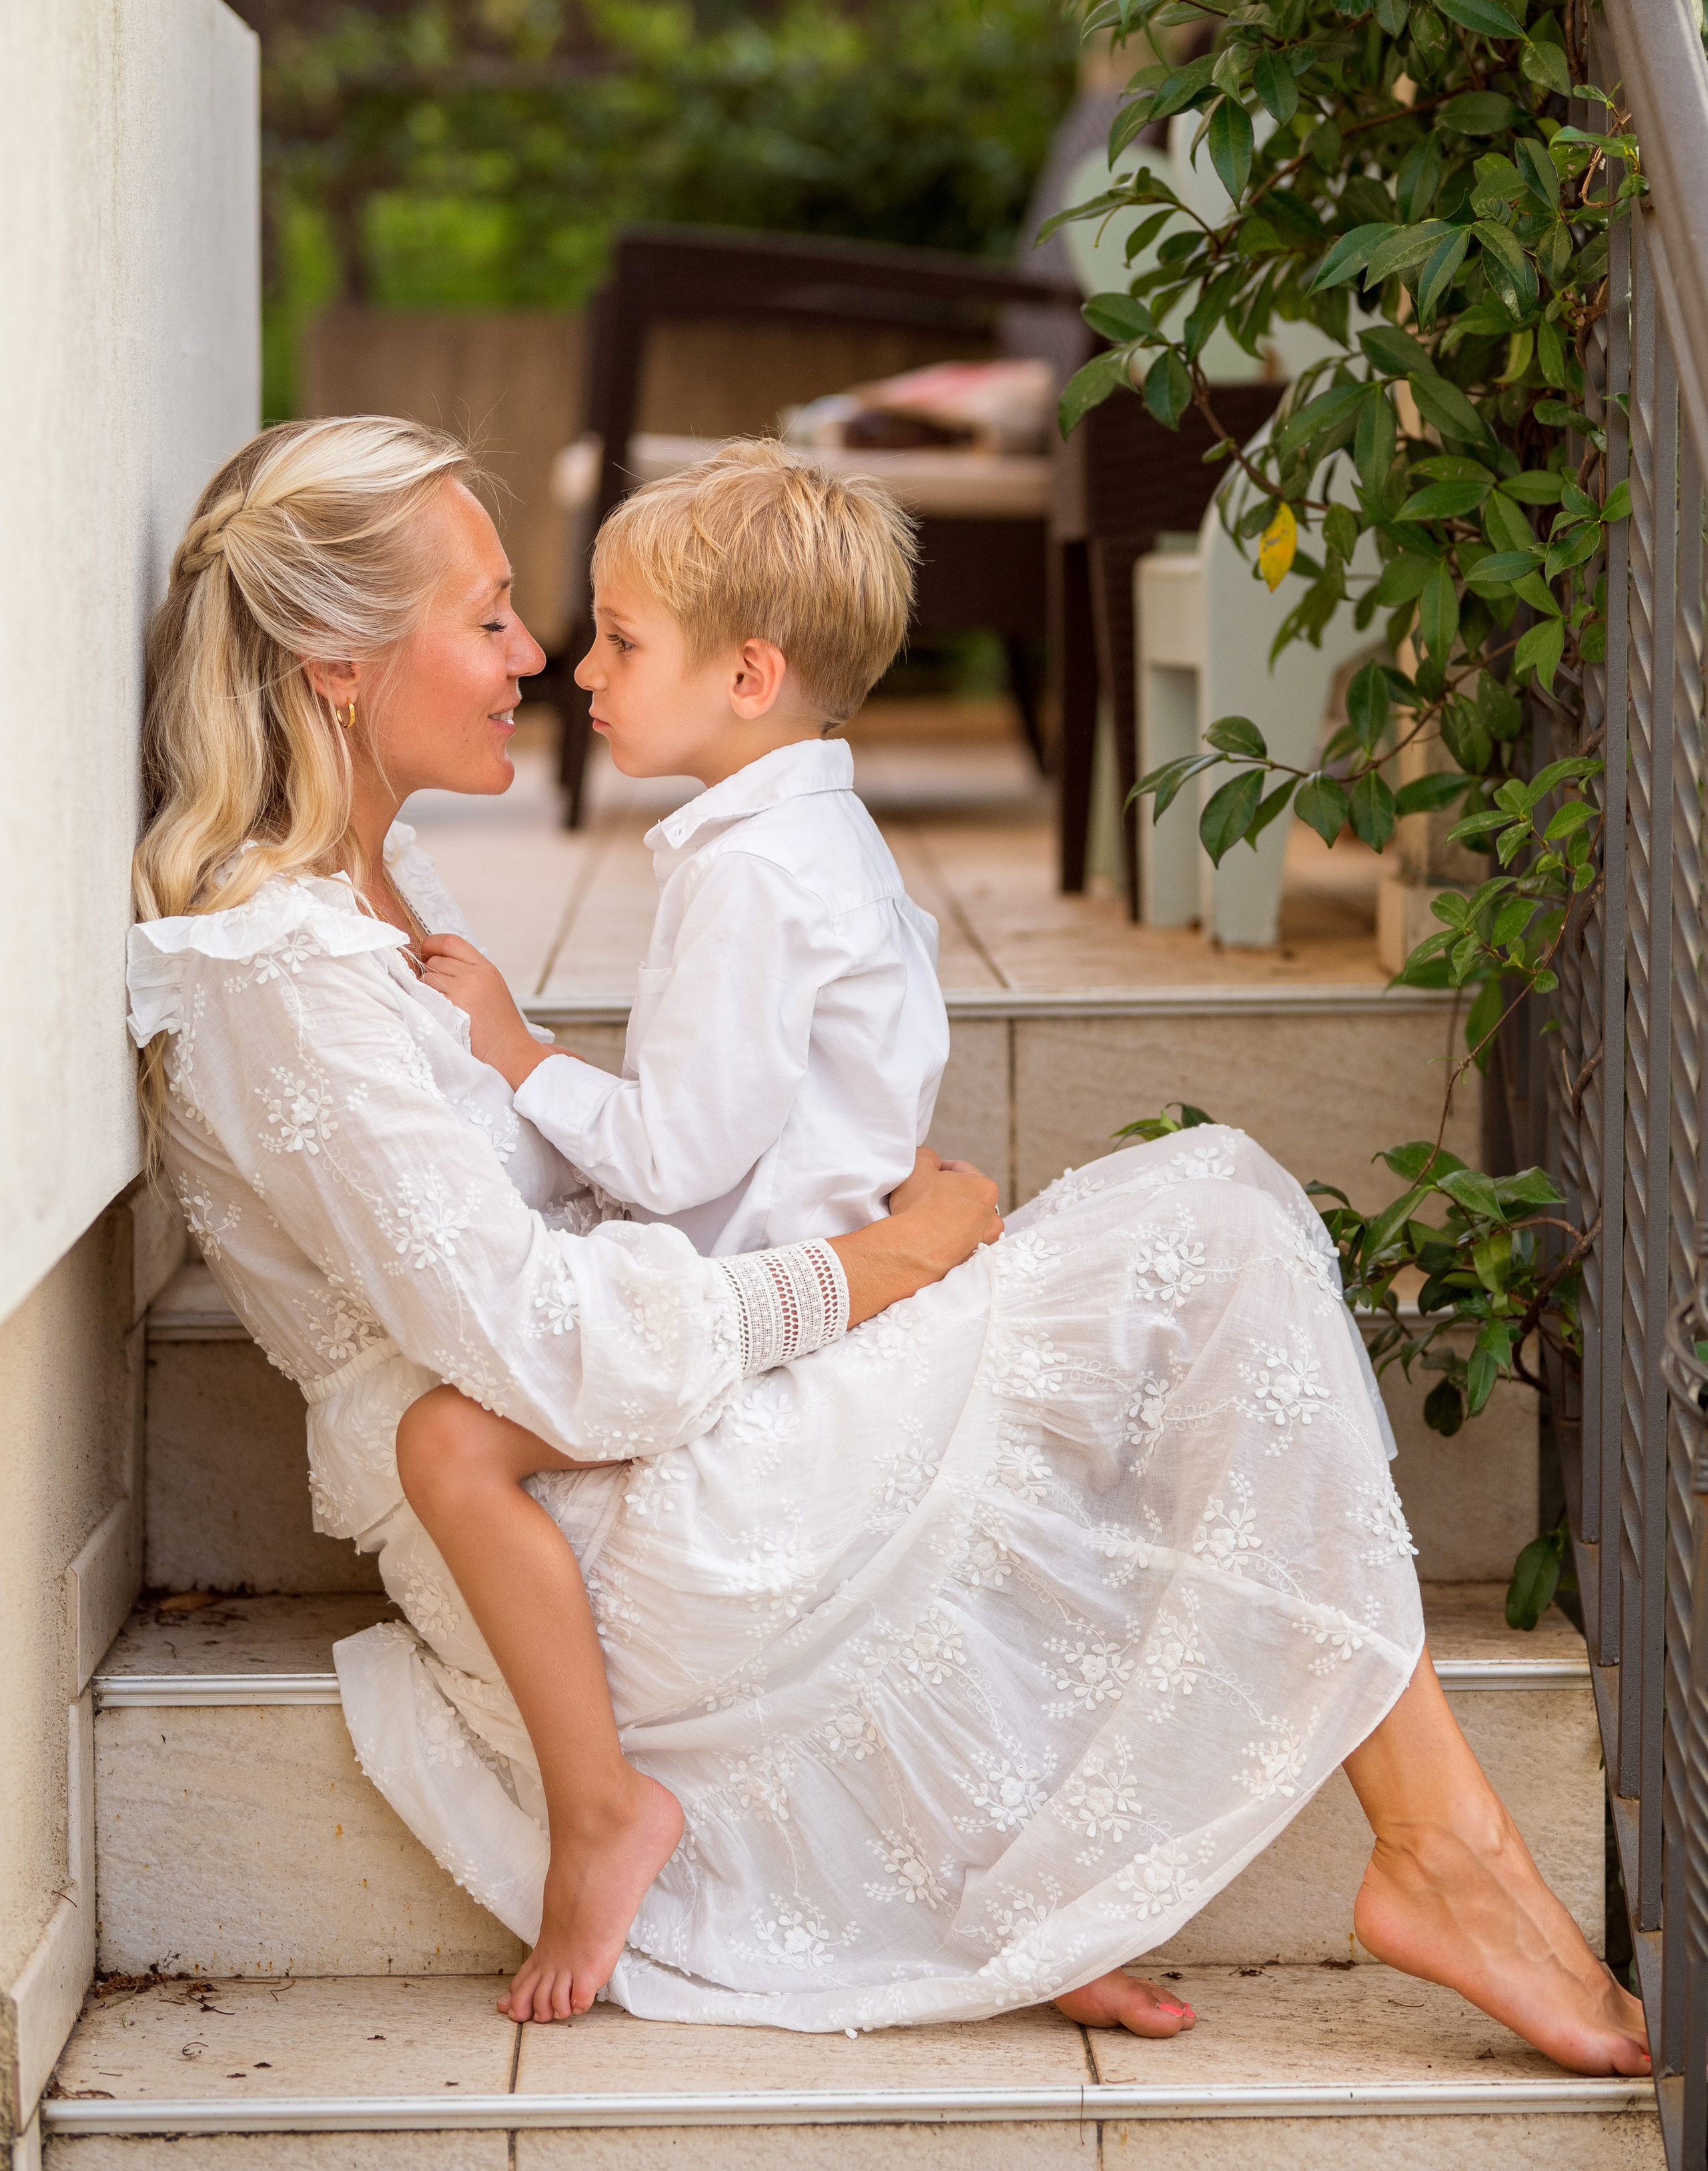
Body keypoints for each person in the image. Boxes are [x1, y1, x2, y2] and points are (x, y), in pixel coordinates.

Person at [127, 414, 1650, 2071]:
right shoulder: (276, 979)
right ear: (331, 661)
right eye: (488, 616)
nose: (539, 651)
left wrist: (859, 1244)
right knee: (1197, 1232)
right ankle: (1437, 1855)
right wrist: (888, 1264)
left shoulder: (381, 886)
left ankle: (1347, 1857)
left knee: (1200, 1237)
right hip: (580, 1513)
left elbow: (609, 1207)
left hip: (621, 1418)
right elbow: (554, 1346)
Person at [418, 438, 952, 1256]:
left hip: (766, 1292)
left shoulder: (756, 877)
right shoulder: (819, 842)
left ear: (747, 679)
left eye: (622, 641)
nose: (586, 670)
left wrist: (516, 1052)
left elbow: (671, 1159)